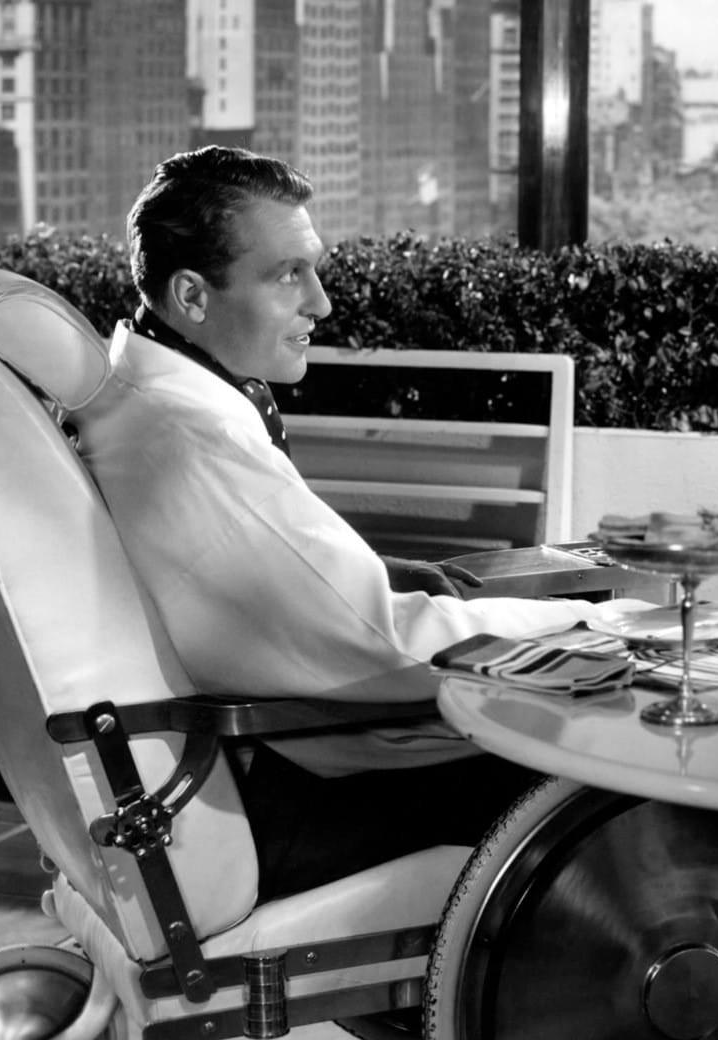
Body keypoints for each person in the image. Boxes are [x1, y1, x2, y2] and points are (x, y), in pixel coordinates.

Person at [74, 146, 607, 897]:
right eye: (288, 273)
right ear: (192, 296)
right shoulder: (197, 442)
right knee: (610, 784)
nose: (320, 303)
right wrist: (591, 634)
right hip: (279, 799)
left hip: (254, 762)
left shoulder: (142, 396)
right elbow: (385, 640)